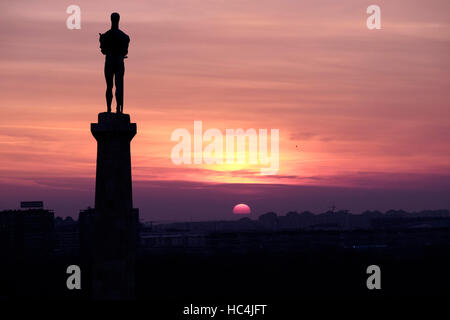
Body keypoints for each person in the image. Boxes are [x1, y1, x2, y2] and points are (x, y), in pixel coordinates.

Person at [99, 12, 130, 113]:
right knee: (119, 85)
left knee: (109, 86)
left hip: (110, 61)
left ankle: (109, 109)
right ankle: (118, 109)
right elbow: (125, 51)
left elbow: (103, 51)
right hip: (119, 61)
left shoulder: (106, 36)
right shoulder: (125, 37)